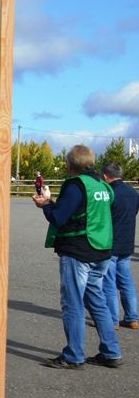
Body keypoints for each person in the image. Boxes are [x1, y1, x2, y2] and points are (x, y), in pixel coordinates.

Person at [33, 144, 122, 369]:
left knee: (72, 303)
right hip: (102, 249)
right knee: (96, 300)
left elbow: (59, 218)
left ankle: (73, 355)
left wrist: (45, 205)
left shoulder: (75, 185)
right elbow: (85, 211)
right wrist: (54, 203)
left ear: (70, 164)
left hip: (78, 250)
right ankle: (111, 351)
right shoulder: (102, 185)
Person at [101, 162, 138, 330]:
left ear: (105, 176)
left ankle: (112, 319)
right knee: (126, 281)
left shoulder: (109, 193)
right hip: (127, 243)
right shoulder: (133, 193)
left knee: (108, 282)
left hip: (111, 243)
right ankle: (132, 318)